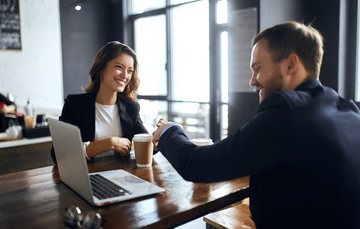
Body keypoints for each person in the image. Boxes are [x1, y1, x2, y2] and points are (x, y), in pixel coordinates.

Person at [153, 21, 360, 228]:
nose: (253, 81)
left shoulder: (286, 110)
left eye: (258, 69)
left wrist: (169, 131)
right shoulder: (349, 110)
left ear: (291, 64)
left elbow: (196, 166)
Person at [51, 41, 148, 164]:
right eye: (119, 67)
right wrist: (110, 143)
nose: (125, 75)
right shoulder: (75, 105)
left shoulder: (131, 107)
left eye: (130, 70)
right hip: (87, 177)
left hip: (122, 175)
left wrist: (160, 134)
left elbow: (147, 143)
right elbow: (58, 154)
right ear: (102, 68)